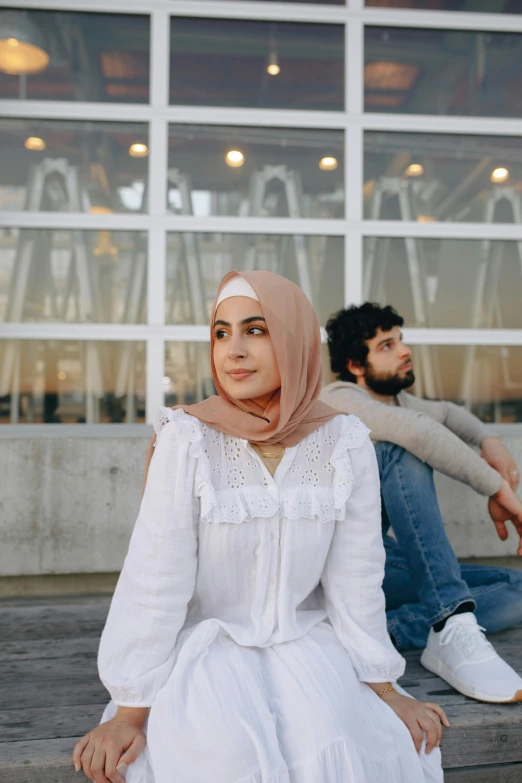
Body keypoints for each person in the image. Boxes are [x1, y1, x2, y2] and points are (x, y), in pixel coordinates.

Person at [73, 273, 446, 783]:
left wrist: (384, 688)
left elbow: (355, 579)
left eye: (256, 329)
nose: (235, 350)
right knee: (228, 756)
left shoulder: (344, 441)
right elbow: (155, 579)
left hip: (309, 642)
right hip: (207, 650)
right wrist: (130, 709)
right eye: (222, 333)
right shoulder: (188, 440)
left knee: (336, 745)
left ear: (294, 339)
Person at [320, 302, 522, 704]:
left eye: (402, 341)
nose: (404, 351)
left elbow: (447, 414)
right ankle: (447, 619)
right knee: (404, 450)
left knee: (516, 586)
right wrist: (500, 491)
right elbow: (419, 433)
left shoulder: (402, 403)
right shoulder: (337, 398)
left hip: (378, 561)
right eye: (387, 345)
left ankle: (397, 627)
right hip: (330, 563)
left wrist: (490, 440)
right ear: (355, 365)